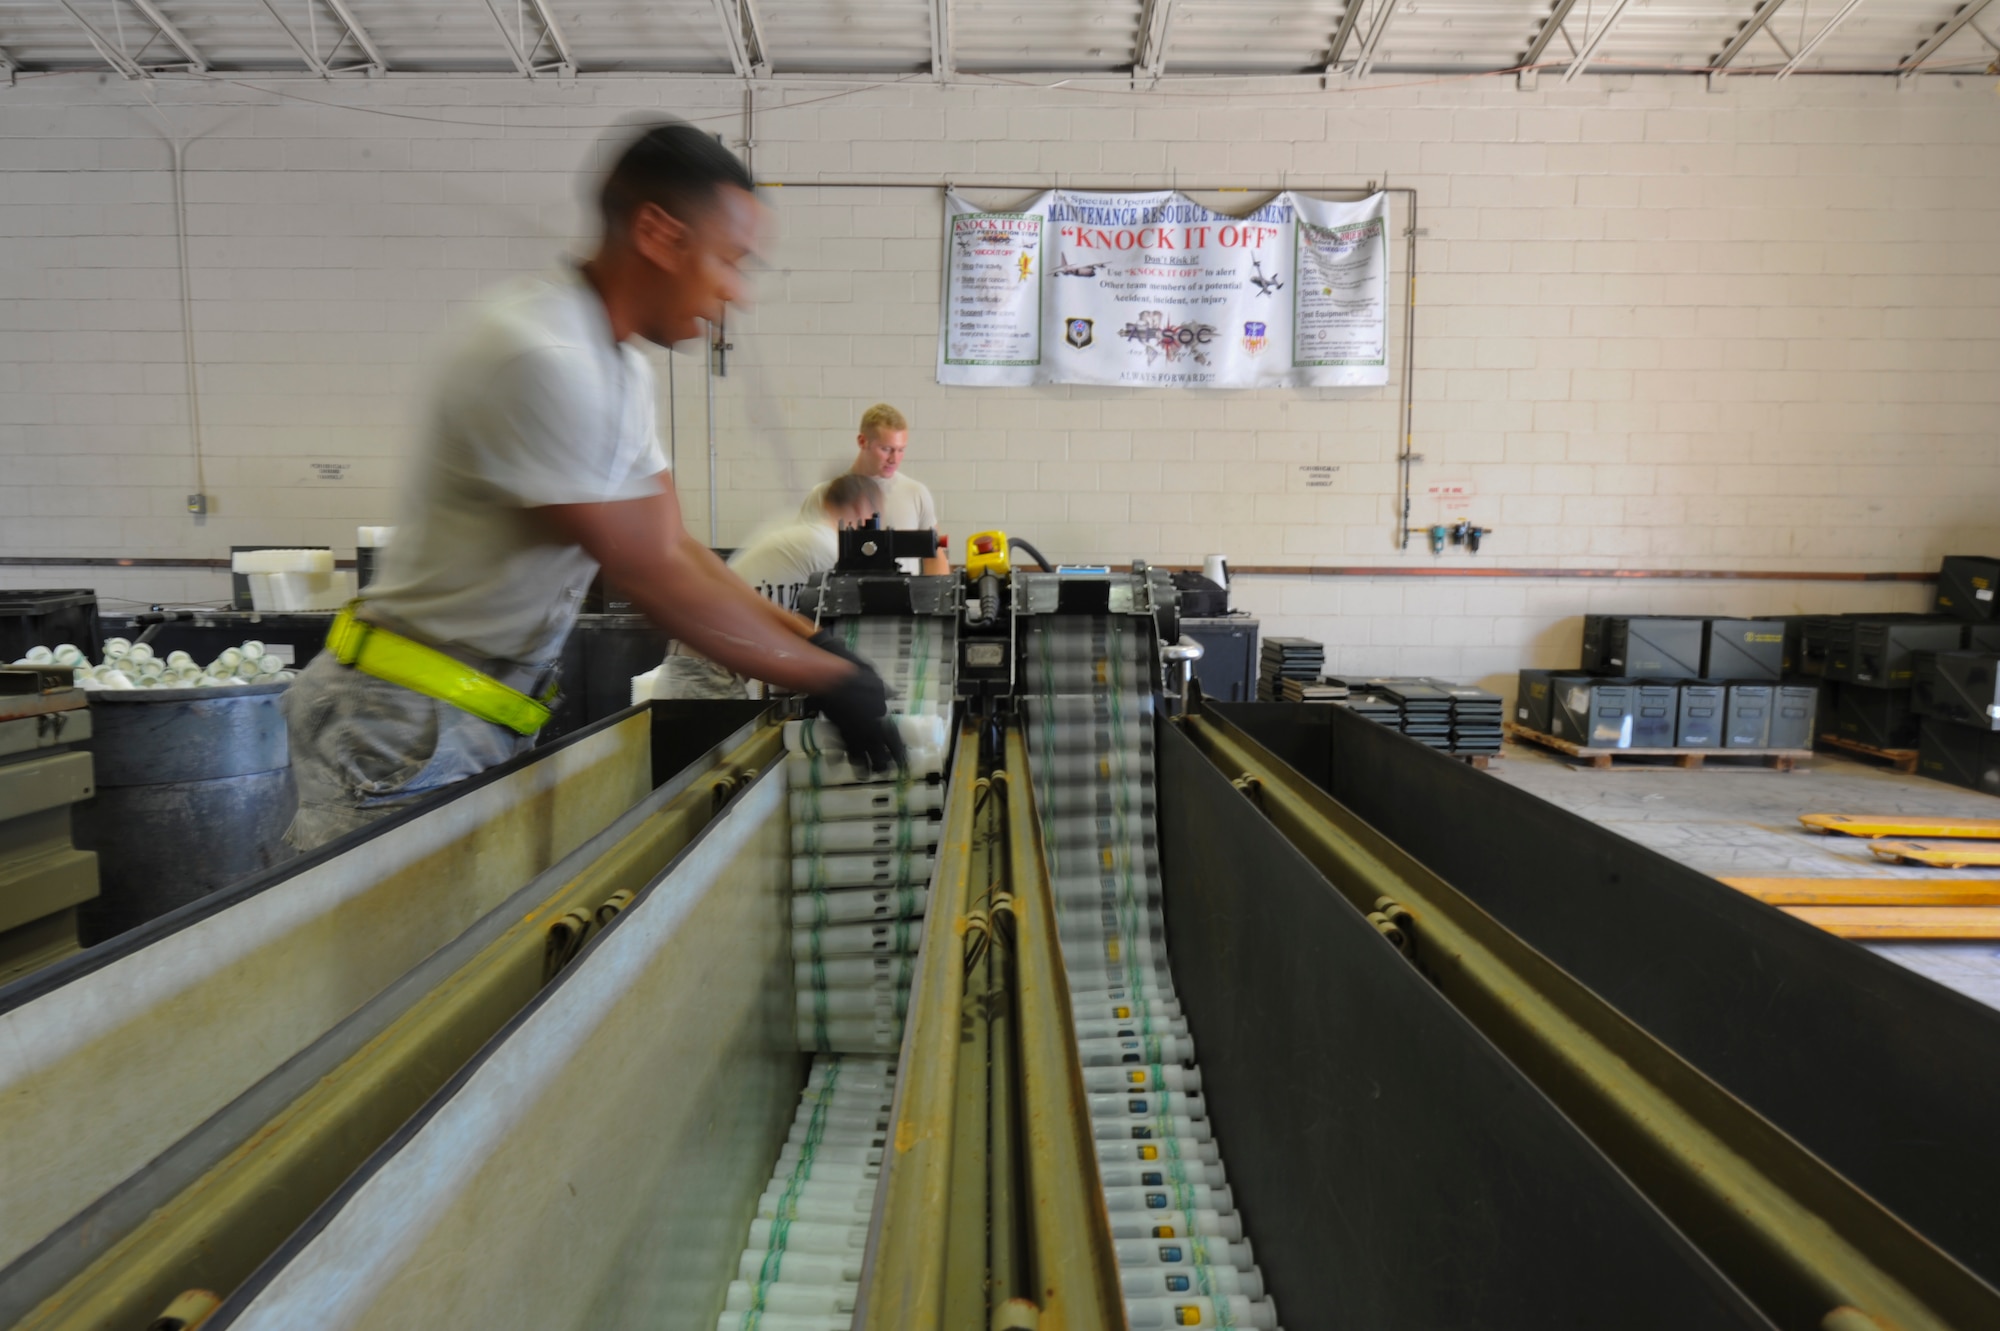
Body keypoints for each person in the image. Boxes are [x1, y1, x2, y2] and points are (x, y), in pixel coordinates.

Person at [281, 121, 903, 852]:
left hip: (467, 715)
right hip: (398, 729)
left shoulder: (617, 366)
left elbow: (674, 544)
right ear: (658, 233)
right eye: (729, 259)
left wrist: (817, 642)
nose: (738, 293)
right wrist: (828, 678)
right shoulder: (543, 351)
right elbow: (653, 576)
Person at [657, 472, 881, 699]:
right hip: (704, 672)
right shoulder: (825, 546)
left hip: (702, 666)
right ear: (863, 507)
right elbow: (864, 611)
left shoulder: (798, 536)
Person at [800, 403, 951, 575]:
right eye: (886, 449)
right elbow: (805, 554)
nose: (894, 459)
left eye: (901, 450)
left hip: (904, 600)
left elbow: (934, 555)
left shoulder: (916, 493)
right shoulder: (822, 496)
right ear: (862, 441)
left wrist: (935, 598)